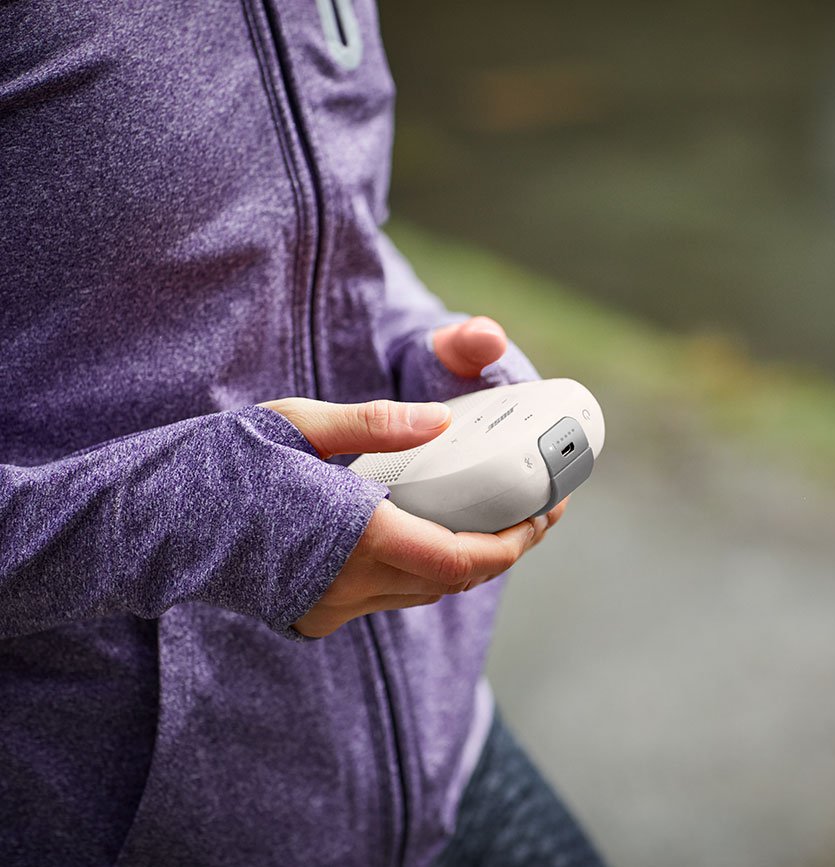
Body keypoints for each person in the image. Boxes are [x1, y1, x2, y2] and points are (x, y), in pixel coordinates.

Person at [0, 2, 605, 864]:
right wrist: (201, 518)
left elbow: (328, 226)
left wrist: (415, 344)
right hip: (149, 828)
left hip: (439, 756)